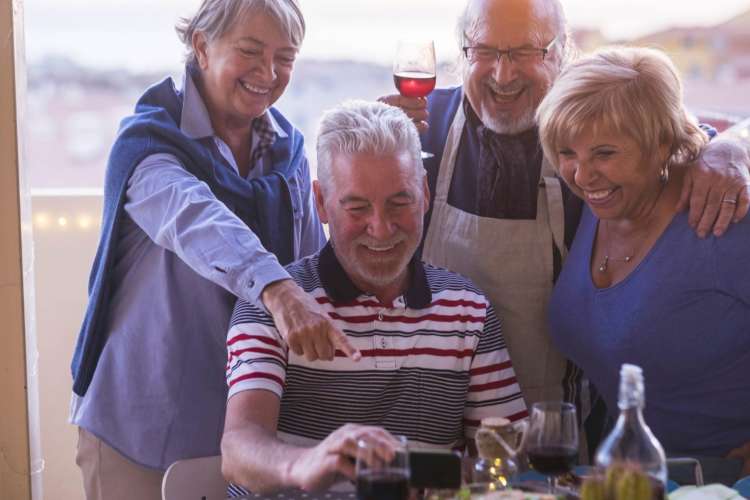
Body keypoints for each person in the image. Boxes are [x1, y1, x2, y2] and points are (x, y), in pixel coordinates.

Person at [382, 0, 750, 413]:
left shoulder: (592, 132)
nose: (503, 75)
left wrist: (734, 147)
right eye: (484, 51)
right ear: (462, 52)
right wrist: (374, 148)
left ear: (562, 54)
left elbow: (671, 131)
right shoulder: (419, 128)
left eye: (525, 52)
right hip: (432, 417)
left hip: (559, 429)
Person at [69, 1, 360, 498]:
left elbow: (313, 265)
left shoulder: (288, 152)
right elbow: (195, 217)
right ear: (202, 46)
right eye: (250, 51)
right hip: (143, 432)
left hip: (253, 433)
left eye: (285, 58)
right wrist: (278, 290)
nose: (268, 73)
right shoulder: (147, 145)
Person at [221, 100, 527, 495]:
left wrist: (421, 473)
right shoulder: (277, 304)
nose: (381, 230)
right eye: (357, 208)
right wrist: (308, 463)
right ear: (321, 204)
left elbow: (508, 458)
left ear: (426, 194)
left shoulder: (468, 308)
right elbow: (239, 450)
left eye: (400, 203)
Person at [538, 46, 750, 485]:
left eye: (604, 153)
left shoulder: (724, 221)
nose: (581, 175)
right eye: (567, 152)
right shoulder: (595, 207)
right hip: (618, 480)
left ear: (662, 144)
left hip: (719, 484)